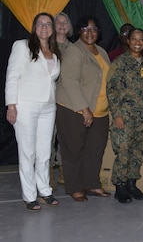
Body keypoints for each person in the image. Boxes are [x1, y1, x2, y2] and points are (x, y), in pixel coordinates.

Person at [5, 12, 61, 211]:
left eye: (48, 24)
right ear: (34, 27)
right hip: (25, 105)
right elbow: (12, 76)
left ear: (52, 29)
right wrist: (11, 105)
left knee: (44, 152)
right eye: (40, 24)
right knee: (27, 153)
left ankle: (45, 190)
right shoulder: (22, 46)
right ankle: (29, 196)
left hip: (48, 106)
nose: (44, 27)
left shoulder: (54, 52)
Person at [56, 15, 111, 202]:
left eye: (94, 29)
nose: (90, 33)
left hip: (100, 112)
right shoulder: (74, 51)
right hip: (74, 109)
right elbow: (70, 81)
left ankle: (92, 184)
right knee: (74, 150)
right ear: (79, 31)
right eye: (85, 29)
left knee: (95, 151)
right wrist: (84, 109)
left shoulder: (102, 52)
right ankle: (75, 187)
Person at [107, 28, 143, 204]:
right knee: (123, 151)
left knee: (138, 151)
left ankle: (132, 184)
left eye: (141, 39)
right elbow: (111, 90)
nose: (138, 42)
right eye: (134, 39)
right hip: (124, 117)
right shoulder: (119, 63)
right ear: (128, 41)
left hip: (142, 117)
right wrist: (117, 115)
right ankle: (120, 186)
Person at [49, 12, 73, 191]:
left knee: (66, 138)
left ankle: (65, 172)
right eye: (58, 22)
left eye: (65, 22)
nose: (62, 25)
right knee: (47, 139)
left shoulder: (74, 48)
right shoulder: (46, 46)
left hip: (67, 101)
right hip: (48, 100)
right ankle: (47, 173)